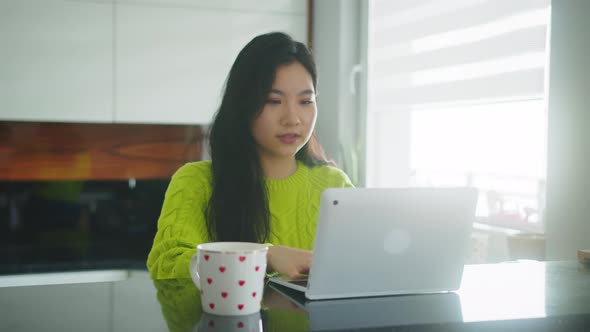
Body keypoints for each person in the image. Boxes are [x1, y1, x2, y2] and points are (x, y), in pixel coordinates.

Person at [147, 32, 353, 280]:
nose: (292, 118)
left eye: (305, 101)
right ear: (242, 105)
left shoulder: (334, 185)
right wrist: (264, 256)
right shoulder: (196, 181)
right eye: (273, 101)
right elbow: (167, 266)